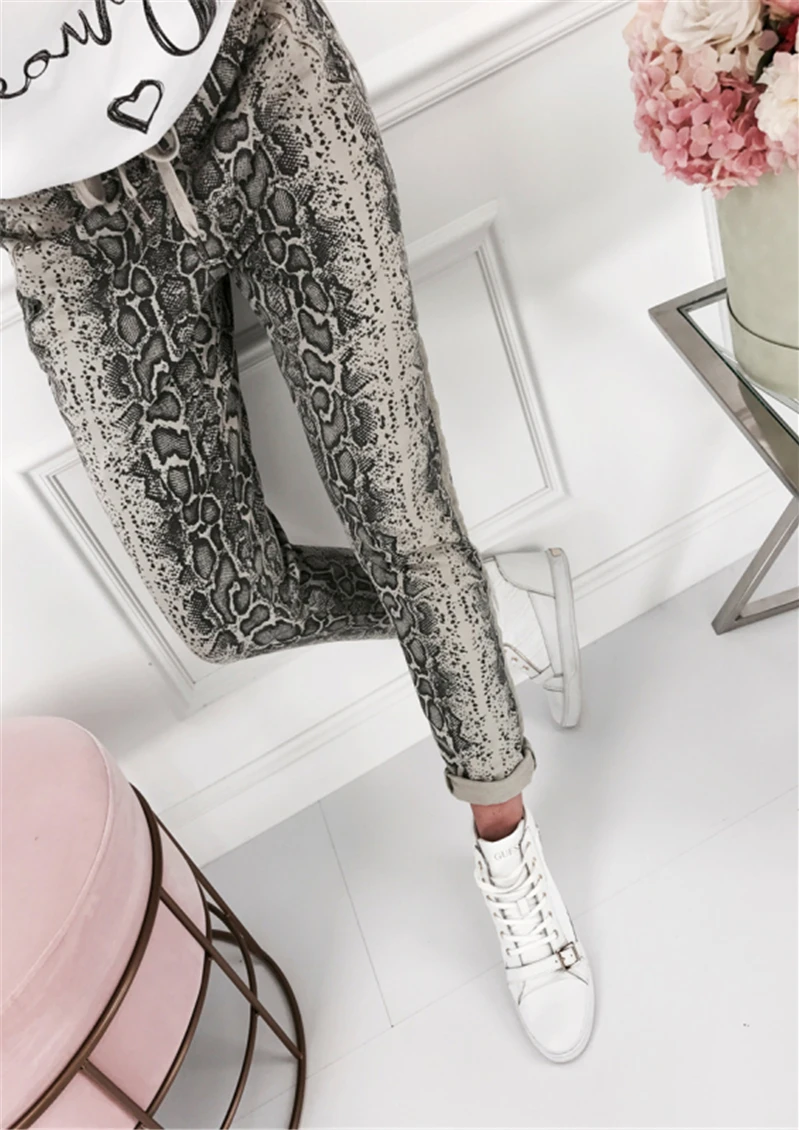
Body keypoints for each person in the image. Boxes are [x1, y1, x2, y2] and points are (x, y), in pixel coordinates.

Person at [0, 0, 594, 1062]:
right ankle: (477, 602)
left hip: (257, 80)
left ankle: (507, 856)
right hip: (61, 218)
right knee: (221, 610)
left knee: (400, 514)